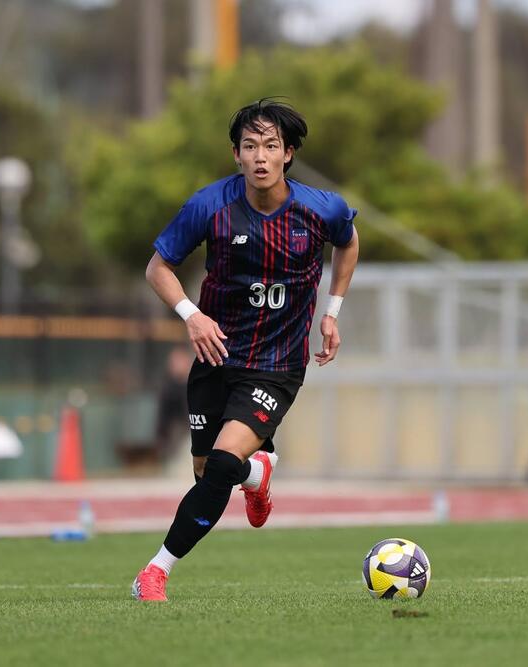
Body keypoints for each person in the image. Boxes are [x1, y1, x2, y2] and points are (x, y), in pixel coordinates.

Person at [132, 98, 359, 601]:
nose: (261, 156)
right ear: (236, 154)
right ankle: (258, 472)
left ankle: (154, 572)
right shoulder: (209, 206)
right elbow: (157, 268)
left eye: (271, 146)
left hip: (277, 365)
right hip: (216, 357)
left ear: (288, 154)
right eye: (250, 146)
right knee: (206, 472)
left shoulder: (320, 209)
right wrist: (192, 316)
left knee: (219, 467)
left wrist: (332, 311)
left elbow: (349, 240)